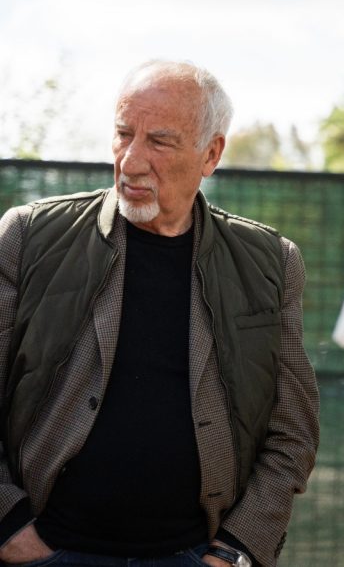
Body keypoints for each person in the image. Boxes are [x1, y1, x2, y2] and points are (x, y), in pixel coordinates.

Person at [0, 60, 319, 567]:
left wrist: (238, 551)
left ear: (211, 154)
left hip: (193, 555)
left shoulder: (270, 263)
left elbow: (293, 431)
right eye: (123, 134)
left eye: (159, 142)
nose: (130, 161)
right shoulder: (29, 237)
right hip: (44, 552)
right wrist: (9, 528)